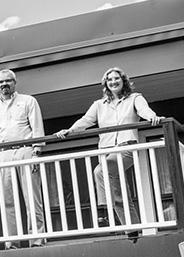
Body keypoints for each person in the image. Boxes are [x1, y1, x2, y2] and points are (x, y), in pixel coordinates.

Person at [55, 68, 162, 234]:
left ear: (123, 80)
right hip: (106, 150)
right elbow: (86, 120)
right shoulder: (99, 105)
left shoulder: (135, 98)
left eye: (116, 78)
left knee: (100, 171)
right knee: (118, 191)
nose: (113, 82)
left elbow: (144, 111)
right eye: (110, 79)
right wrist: (69, 130)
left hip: (127, 147)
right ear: (106, 84)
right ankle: (132, 228)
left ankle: (103, 210)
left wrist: (153, 117)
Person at [0, 69, 47, 247]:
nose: (4, 84)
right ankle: (12, 242)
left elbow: (37, 128)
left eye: (8, 81)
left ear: (14, 82)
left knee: (32, 198)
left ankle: (37, 239)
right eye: (0, 82)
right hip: (2, 154)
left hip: (25, 150)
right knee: (7, 201)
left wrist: (36, 152)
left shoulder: (28, 101)